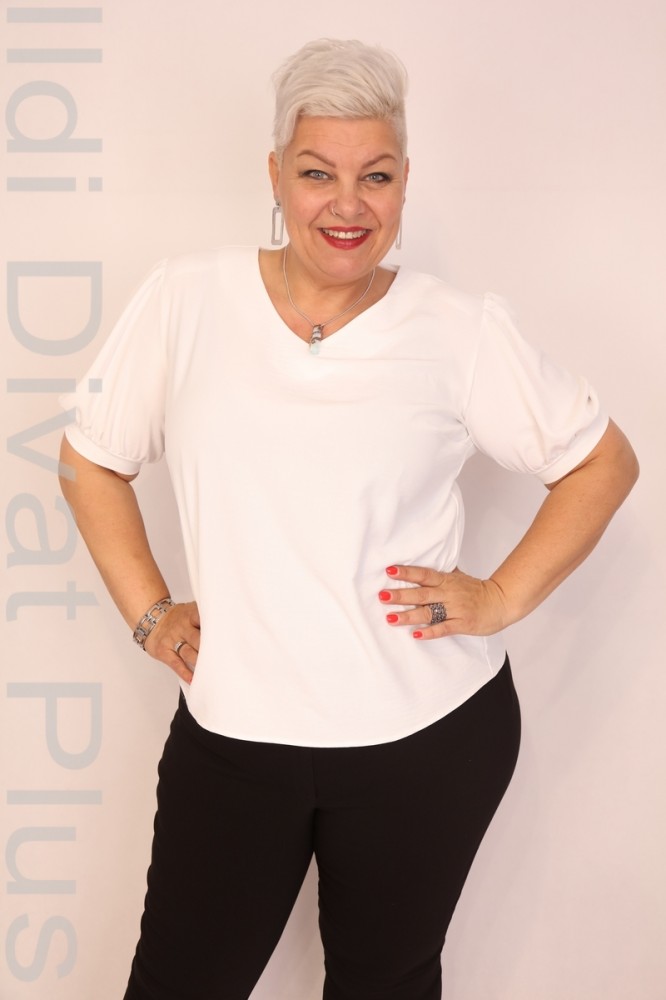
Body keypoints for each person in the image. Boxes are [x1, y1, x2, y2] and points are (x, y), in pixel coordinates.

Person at [59, 37, 638, 1000]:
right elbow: (89, 459)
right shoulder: (187, 301)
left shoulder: (457, 330)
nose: (348, 205)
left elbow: (601, 462)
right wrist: (151, 613)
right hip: (236, 735)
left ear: (405, 182)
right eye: (317, 172)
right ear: (275, 175)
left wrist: (499, 597)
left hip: (428, 740)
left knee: (386, 985)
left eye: (376, 175)